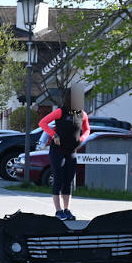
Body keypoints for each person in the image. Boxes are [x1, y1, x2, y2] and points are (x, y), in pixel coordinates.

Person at [39, 85, 90, 220]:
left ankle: (67, 210)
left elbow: (87, 130)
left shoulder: (82, 114)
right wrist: (54, 135)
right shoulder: (60, 112)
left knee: (68, 180)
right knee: (58, 179)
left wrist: (82, 139)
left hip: (72, 151)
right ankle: (58, 211)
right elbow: (43, 123)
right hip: (58, 151)